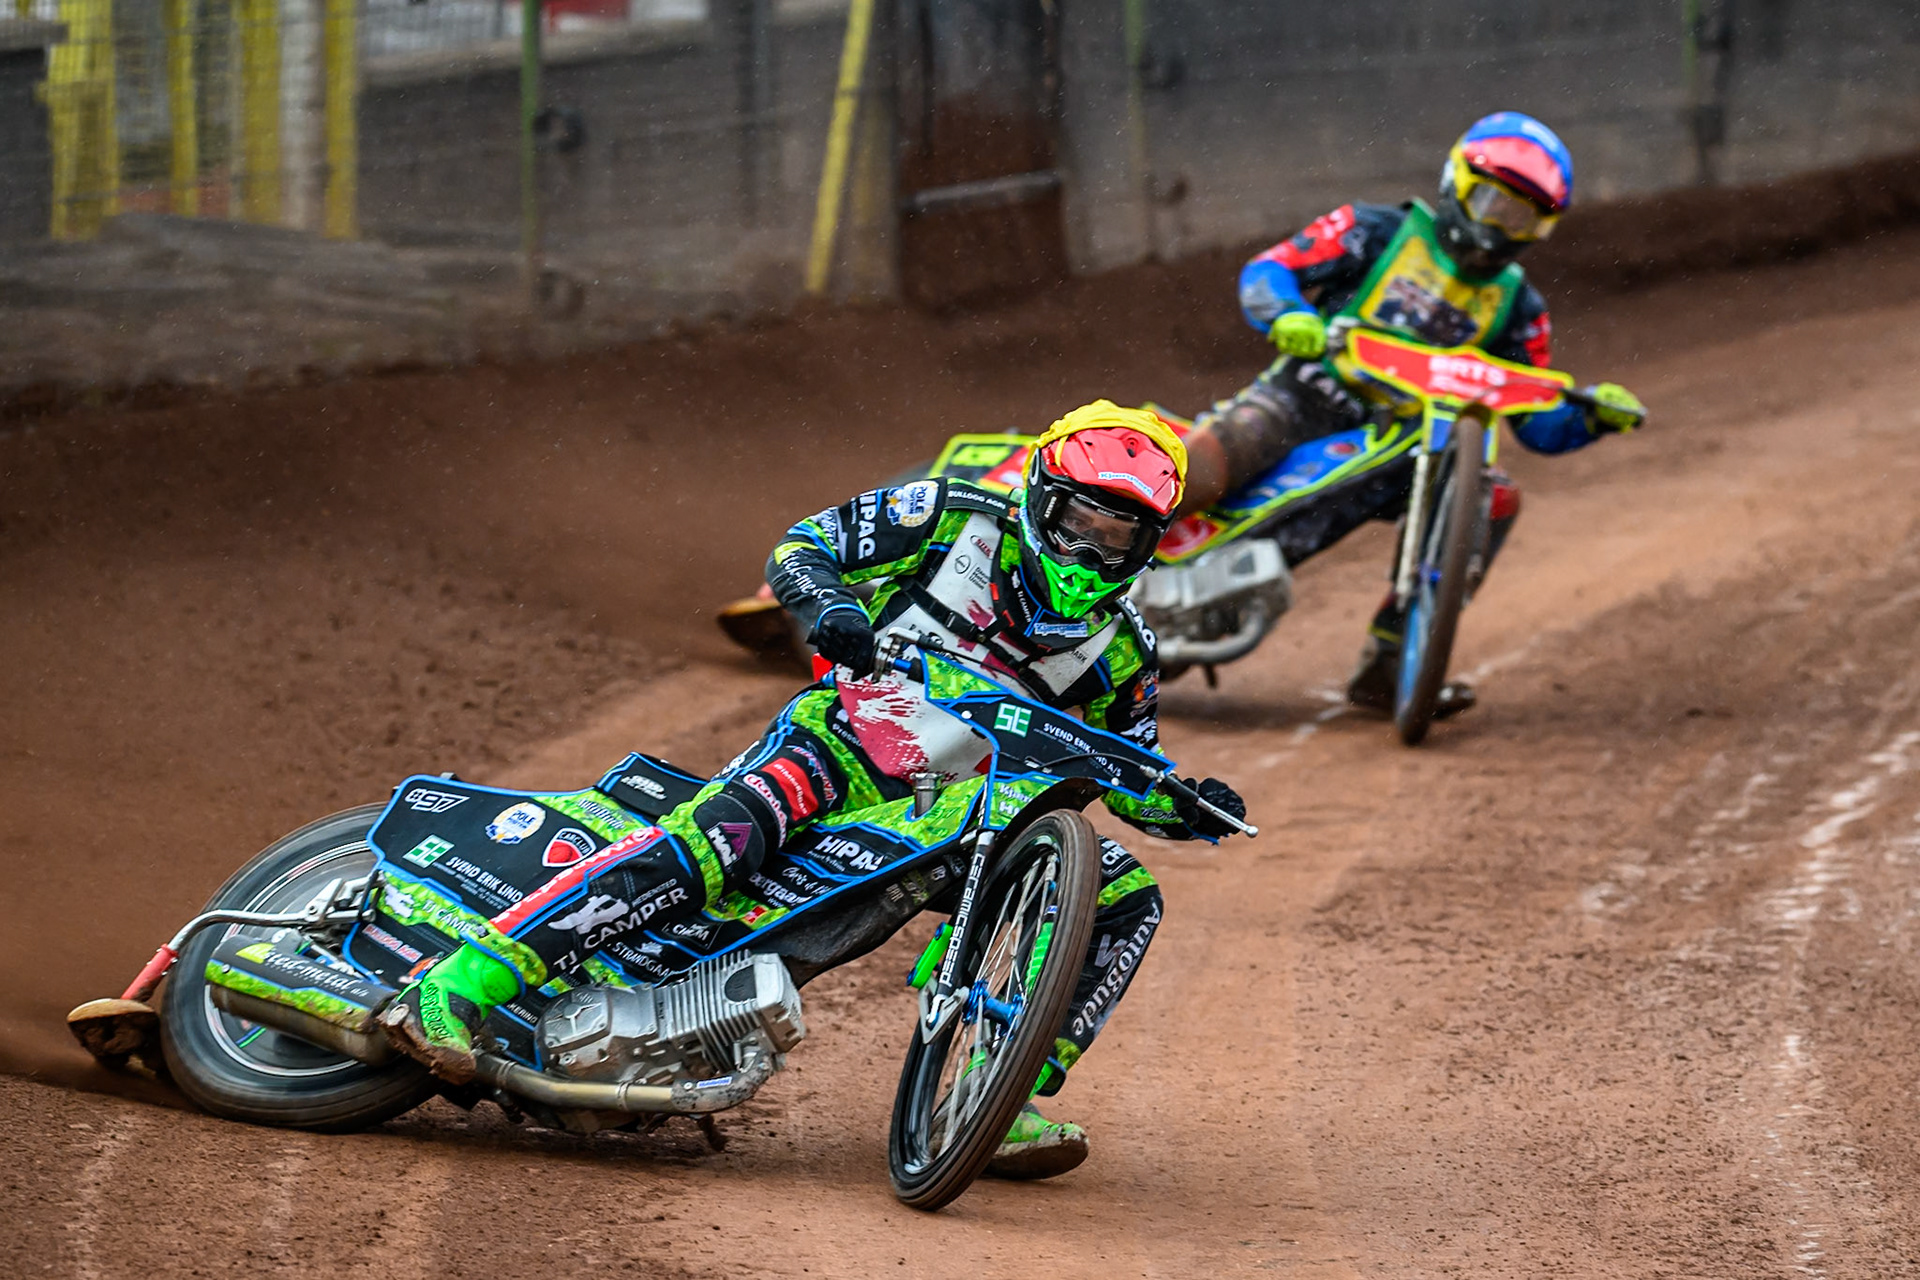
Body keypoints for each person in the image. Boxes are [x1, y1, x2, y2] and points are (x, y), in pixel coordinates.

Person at [380, 401, 1248, 1180]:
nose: (1095, 547)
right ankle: (460, 982)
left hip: (957, 814)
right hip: (844, 739)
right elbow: (803, 545)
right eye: (1082, 519)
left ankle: (1002, 1088)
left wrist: (1187, 801)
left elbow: (1130, 769)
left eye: (1122, 533)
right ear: (1038, 496)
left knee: (1128, 898)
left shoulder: (1127, 652)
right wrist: (829, 607)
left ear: (1148, 544)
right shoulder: (953, 515)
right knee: (721, 840)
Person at [1177, 111, 1648, 716]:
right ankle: (1096, 547)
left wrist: (1589, 418)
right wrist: (1289, 314)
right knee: (1217, 460)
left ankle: (1391, 663)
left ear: (1543, 228)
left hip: (1410, 449)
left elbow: (1535, 422)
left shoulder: (1519, 307)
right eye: (1490, 202)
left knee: (1490, 497)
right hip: (1306, 395)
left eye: (1520, 216)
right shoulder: (1372, 229)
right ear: (1455, 182)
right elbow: (1269, 272)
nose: (1499, 226)